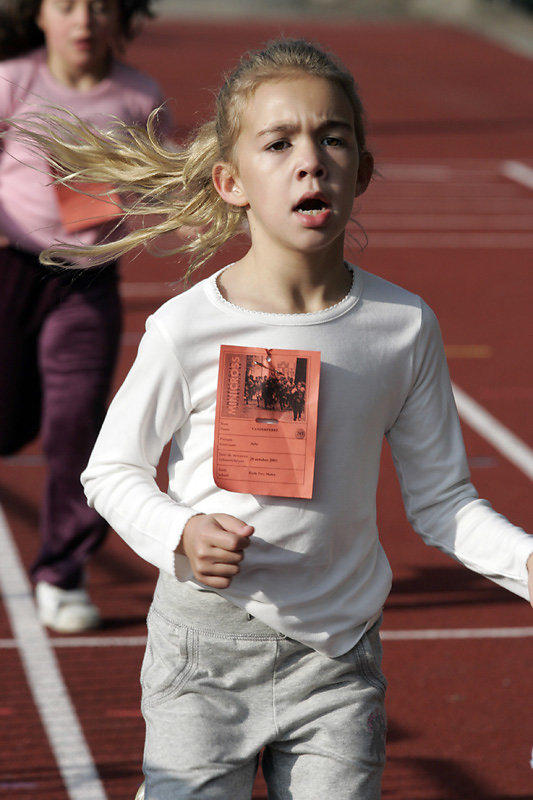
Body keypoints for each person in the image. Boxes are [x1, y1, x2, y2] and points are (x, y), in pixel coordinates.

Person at [21, 38, 533, 800]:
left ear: (361, 172)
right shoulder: (186, 326)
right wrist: (180, 532)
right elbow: (111, 471)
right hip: (205, 653)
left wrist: (525, 563)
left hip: (337, 659)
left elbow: (442, 502)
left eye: (333, 139)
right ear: (230, 181)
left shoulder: (402, 325)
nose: (310, 161)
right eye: (278, 142)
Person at [0, 0, 172, 633]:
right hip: (12, 270)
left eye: (99, 7)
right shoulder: (11, 80)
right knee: (7, 421)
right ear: (40, 15)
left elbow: (160, 181)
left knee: (75, 422)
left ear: (121, 18)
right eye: (67, 5)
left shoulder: (138, 96)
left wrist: (149, 185)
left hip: (87, 281)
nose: (84, 21)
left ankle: (62, 573)